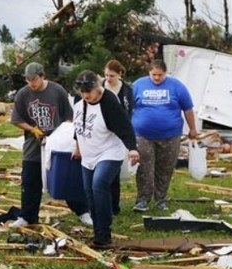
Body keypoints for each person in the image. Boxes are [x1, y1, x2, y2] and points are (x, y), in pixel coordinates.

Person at [10, 62, 93, 228]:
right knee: (30, 180)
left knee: (67, 177)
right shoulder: (23, 94)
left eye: (34, 80)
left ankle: (83, 211)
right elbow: (17, 120)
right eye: (28, 80)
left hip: (57, 145)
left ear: (42, 76)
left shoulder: (57, 91)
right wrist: (32, 129)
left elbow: (69, 117)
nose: (31, 84)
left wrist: (63, 136)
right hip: (34, 146)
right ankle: (27, 216)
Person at [72, 70, 139, 247]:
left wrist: (132, 149)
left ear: (97, 87)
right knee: (90, 194)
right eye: (82, 93)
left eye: (89, 92)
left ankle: (104, 235)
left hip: (110, 151)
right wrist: (77, 146)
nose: (86, 96)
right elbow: (78, 126)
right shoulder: (79, 100)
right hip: (88, 154)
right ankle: (98, 231)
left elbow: (125, 127)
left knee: (99, 185)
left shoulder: (109, 102)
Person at [131, 59, 197, 212]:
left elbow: (188, 108)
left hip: (170, 135)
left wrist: (192, 129)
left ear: (166, 73)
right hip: (143, 135)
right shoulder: (138, 85)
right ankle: (143, 199)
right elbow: (127, 107)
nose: (156, 78)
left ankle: (160, 199)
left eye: (160, 75)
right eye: (153, 75)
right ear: (149, 72)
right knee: (145, 167)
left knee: (165, 167)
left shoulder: (177, 86)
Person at [102, 59, 134, 215]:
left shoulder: (127, 90)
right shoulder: (99, 87)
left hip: (118, 134)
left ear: (120, 74)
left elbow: (129, 113)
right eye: (106, 75)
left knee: (113, 171)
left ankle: (114, 206)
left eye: (112, 76)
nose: (108, 78)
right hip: (101, 133)